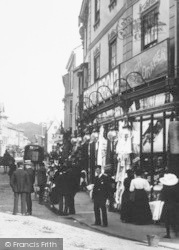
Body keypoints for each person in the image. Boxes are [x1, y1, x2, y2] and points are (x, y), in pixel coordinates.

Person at [160, 173, 179, 238]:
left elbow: (162, 198)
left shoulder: (164, 189)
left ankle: (168, 234)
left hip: (167, 204)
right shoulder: (176, 188)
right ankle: (176, 231)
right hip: (175, 205)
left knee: (167, 219)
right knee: (175, 218)